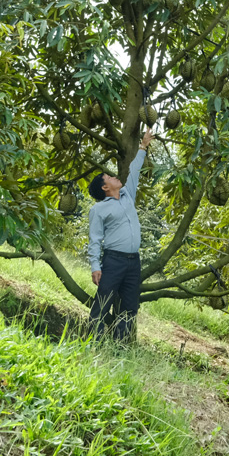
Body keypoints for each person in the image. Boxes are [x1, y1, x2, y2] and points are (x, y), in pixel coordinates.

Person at [86, 129, 154, 342]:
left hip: (134, 262)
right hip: (113, 260)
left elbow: (134, 170)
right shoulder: (99, 210)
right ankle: (92, 344)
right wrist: (95, 266)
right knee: (103, 302)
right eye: (109, 177)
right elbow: (95, 239)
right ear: (105, 187)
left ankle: (121, 347)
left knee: (130, 307)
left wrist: (143, 146)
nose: (115, 177)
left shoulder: (127, 196)